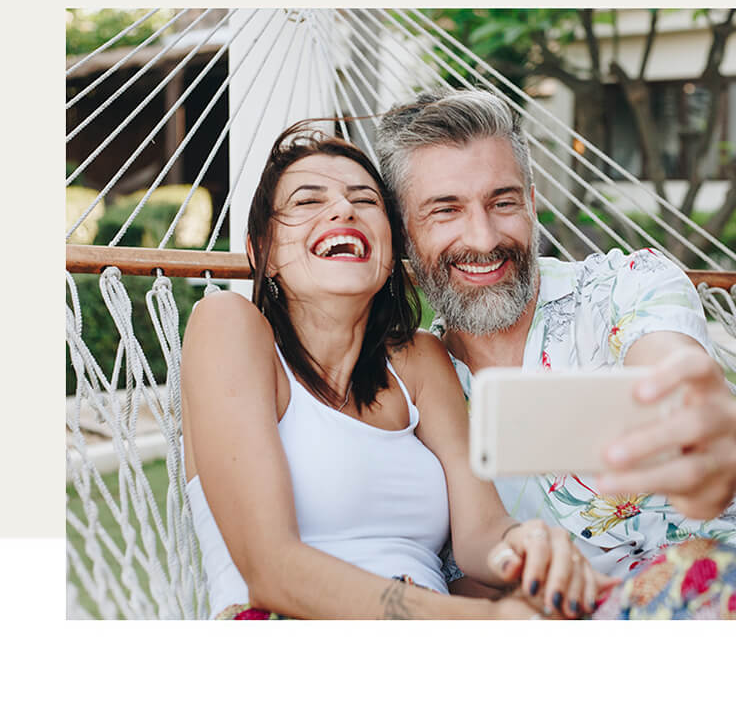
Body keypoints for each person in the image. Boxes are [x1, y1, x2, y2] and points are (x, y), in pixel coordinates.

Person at [374, 88, 736, 620]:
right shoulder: (415, 386)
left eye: (504, 202)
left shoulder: (626, 286)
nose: (484, 236)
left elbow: (671, 365)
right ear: (402, 236)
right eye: (445, 211)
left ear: (533, 205)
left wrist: (699, 439)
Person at [180, 119, 616, 620]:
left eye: (365, 200)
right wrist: (483, 624)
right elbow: (270, 568)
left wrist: (527, 545)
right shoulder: (228, 326)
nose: (343, 208)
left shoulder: (420, 361)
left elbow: (480, 534)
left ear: (392, 249)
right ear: (263, 252)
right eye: (308, 201)